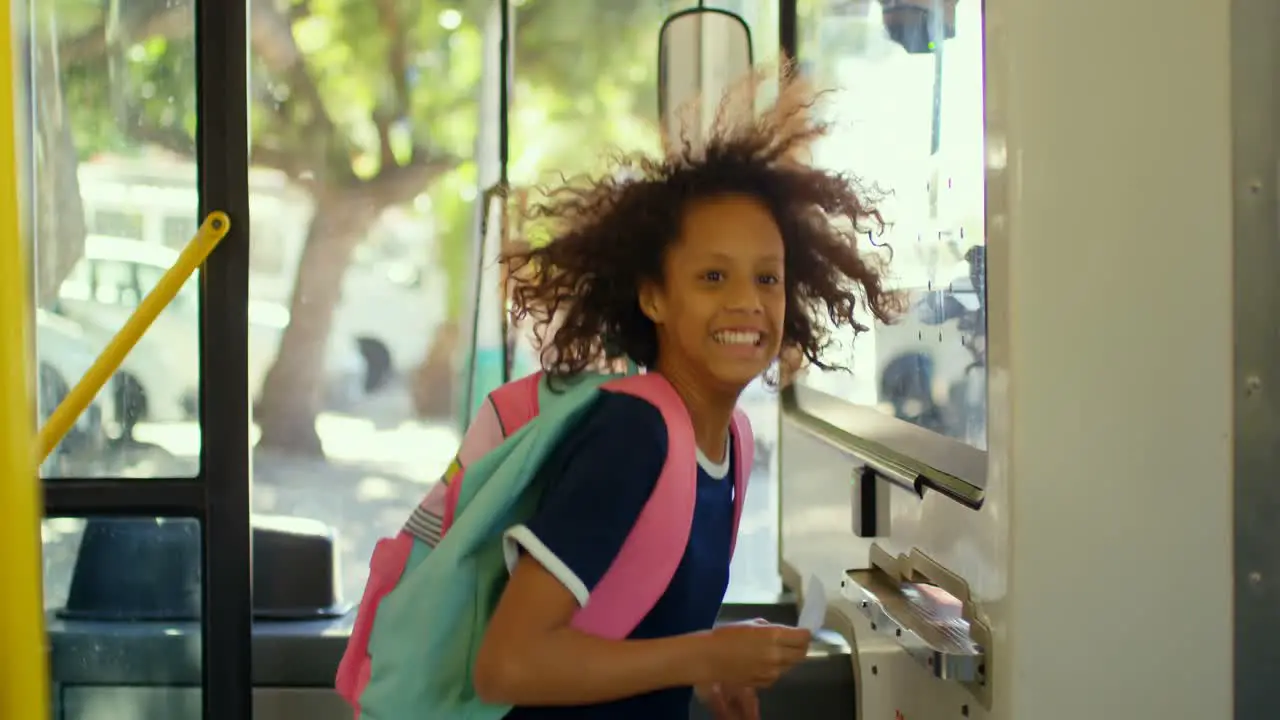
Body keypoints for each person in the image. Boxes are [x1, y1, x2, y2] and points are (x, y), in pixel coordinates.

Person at [473, 67, 901, 719]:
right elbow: (508, 666)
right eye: (712, 276)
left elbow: (622, 626)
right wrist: (703, 655)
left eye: (767, 278)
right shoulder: (632, 436)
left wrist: (708, 675)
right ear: (653, 296)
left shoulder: (728, 439)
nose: (747, 303)